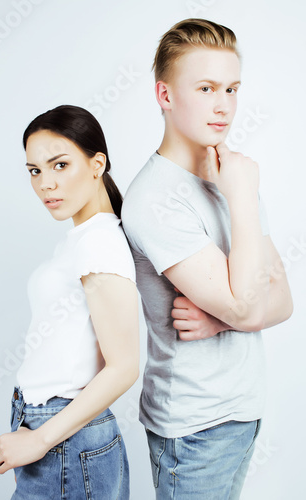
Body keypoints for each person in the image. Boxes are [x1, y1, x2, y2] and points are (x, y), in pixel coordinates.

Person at [121, 18, 293, 500]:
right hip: (194, 427)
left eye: (233, 88)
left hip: (241, 412)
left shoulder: (231, 173)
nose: (224, 105)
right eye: (206, 87)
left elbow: (283, 302)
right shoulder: (155, 199)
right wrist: (240, 198)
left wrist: (224, 320)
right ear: (165, 95)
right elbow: (247, 306)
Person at [0, 104, 139, 500]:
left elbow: (124, 367)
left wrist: (40, 440)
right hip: (54, 434)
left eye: (60, 165)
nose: (45, 184)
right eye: (35, 171)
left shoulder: (99, 243)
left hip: (63, 440)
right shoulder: (82, 238)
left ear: (97, 164)